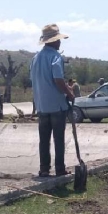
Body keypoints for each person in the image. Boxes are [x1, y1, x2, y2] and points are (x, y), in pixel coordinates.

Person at [30, 23, 75, 177]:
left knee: (44, 140)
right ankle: (60, 168)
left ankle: (44, 168)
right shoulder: (55, 57)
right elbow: (58, 80)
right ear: (54, 41)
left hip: (42, 106)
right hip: (56, 105)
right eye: (58, 39)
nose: (60, 42)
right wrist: (69, 93)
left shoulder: (35, 58)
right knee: (58, 139)